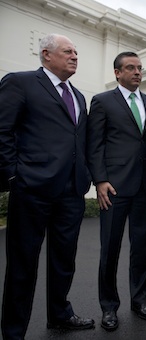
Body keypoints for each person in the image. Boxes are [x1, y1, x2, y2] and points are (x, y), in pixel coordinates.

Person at [0, 33, 95, 339]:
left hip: (71, 191)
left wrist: (86, 176)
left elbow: (80, 140)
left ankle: (59, 315)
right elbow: (2, 131)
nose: (75, 56)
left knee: (64, 260)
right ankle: (14, 332)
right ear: (46, 55)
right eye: (68, 51)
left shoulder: (79, 96)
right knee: (22, 265)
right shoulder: (20, 83)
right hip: (31, 190)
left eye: (76, 52)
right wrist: (14, 176)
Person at [87, 52, 146, 331]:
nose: (137, 72)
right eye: (131, 68)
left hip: (144, 186)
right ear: (117, 73)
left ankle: (139, 301)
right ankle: (108, 306)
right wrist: (100, 180)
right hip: (113, 187)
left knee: (141, 248)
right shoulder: (103, 101)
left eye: (140, 68)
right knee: (111, 248)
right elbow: (95, 144)